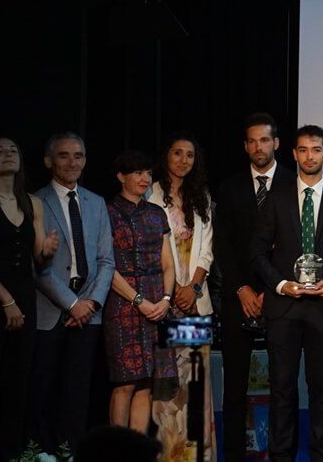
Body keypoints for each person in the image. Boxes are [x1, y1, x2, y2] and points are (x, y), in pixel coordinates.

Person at [251, 124, 323, 462]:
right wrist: (282, 285)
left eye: (316, 150)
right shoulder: (276, 198)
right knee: (282, 390)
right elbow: (257, 251)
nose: (309, 156)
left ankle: (320, 457)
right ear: (294, 154)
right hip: (284, 307)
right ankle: (281, 456)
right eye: (303, 150)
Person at [0, 138, 59, 462]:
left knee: (17, 383)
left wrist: (47, 251)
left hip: (24, 298)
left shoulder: (33, 203)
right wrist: (6, 300)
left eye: (14, 150)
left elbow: (39, 261)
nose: (8, 154)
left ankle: (10, 453)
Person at [213, 112, 295, 461]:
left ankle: (279, 453)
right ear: (245, 146)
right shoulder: (229, 187)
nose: (259, 147)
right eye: (252, 141)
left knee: (282, 386)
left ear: (276, 143)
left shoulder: (294, 184)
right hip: (238, 299)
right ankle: (233, 455)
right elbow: (223, 246)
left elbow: (297, 245)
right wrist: (243, 289)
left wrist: (269, 289)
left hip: (281, 298)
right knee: (235, 387)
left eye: (265, 140)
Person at [32, 131, 116, 454]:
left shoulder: (96, 202)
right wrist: (71, 304)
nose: (72, 162)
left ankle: (72, 453)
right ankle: (41, 454)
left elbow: (106, 261)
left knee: (77, 394)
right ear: (49, 161)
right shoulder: (36, 200)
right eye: (64, 155)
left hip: (88, 314)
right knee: (44, 390)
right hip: (51, 311)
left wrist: (90, 303)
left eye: (78, 155)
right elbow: (37, 269)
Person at [149, 133, 216, 460]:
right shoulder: (151, 193)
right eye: (177, 153)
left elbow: (207, 250)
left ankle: (197, 456)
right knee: (167, 387)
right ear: (166, 156)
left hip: (195, 304)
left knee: (196, 384)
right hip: (164, 304)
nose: (183, 160)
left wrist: (193, 288)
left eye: (189, 155)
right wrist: (172, 290)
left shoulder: (200, 196)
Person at [103, 150, 177, 432]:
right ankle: (116, 449)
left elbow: (168, 263)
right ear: (121, 176)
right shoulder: (107, 212)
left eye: (148, 173)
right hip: (123, 305)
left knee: (147, 381)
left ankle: (135, 450)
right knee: (126, 382)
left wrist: (166, 300)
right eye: (137, 173)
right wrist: (138, 300)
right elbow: (106, 265)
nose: (145, 178)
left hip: (158, 305)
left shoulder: (156, 213)